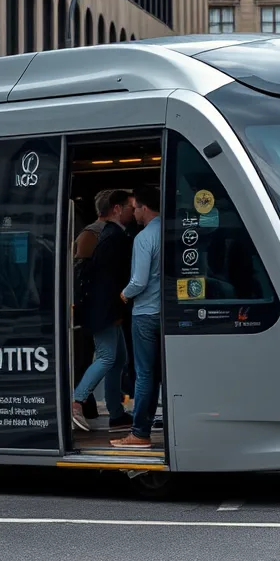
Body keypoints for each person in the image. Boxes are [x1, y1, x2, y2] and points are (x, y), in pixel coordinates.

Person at [71, 190, 135, 432]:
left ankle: (116, 414)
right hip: (103, 309)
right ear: (116, 208)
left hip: (107, 309)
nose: (133, 210)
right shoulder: (102, 234)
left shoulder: (107, 234)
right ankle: (77, 401)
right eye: (130, 207)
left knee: (118, 359)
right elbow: (94, 277)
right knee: (108, 356)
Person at [111, 186, 162, 450]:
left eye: (136, 208)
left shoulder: (144, 238)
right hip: (167, 314)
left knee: (144, 375)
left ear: (144, 208)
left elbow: (139, 280)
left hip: (144, 314)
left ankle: (140, 433)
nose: (135, 213)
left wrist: (124, 294)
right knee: (161, 375)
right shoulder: (171, 232)